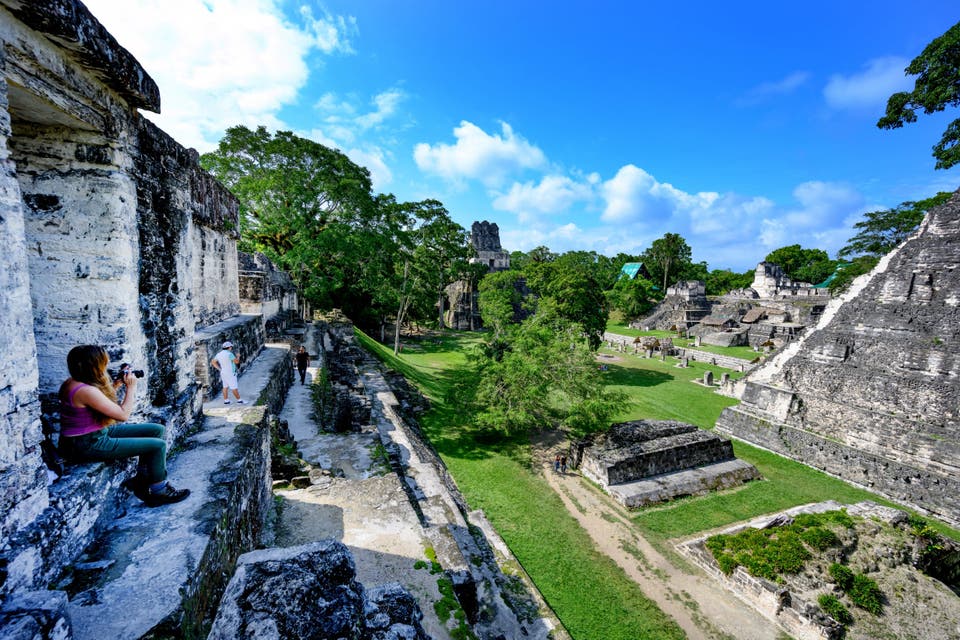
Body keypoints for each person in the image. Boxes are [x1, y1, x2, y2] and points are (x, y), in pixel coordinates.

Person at [57, 345, 189, 507]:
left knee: (156, 429)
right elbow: (123, 414)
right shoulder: (84, 390)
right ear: (93, 366)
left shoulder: (73, 382)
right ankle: (159, 491)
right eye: (103, 364)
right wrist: (131, 388)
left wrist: (117, 385)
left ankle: (142, 480)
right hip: (87, 443)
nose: (105, 368)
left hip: (94, 433)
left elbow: (99, 403)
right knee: (157, 446)